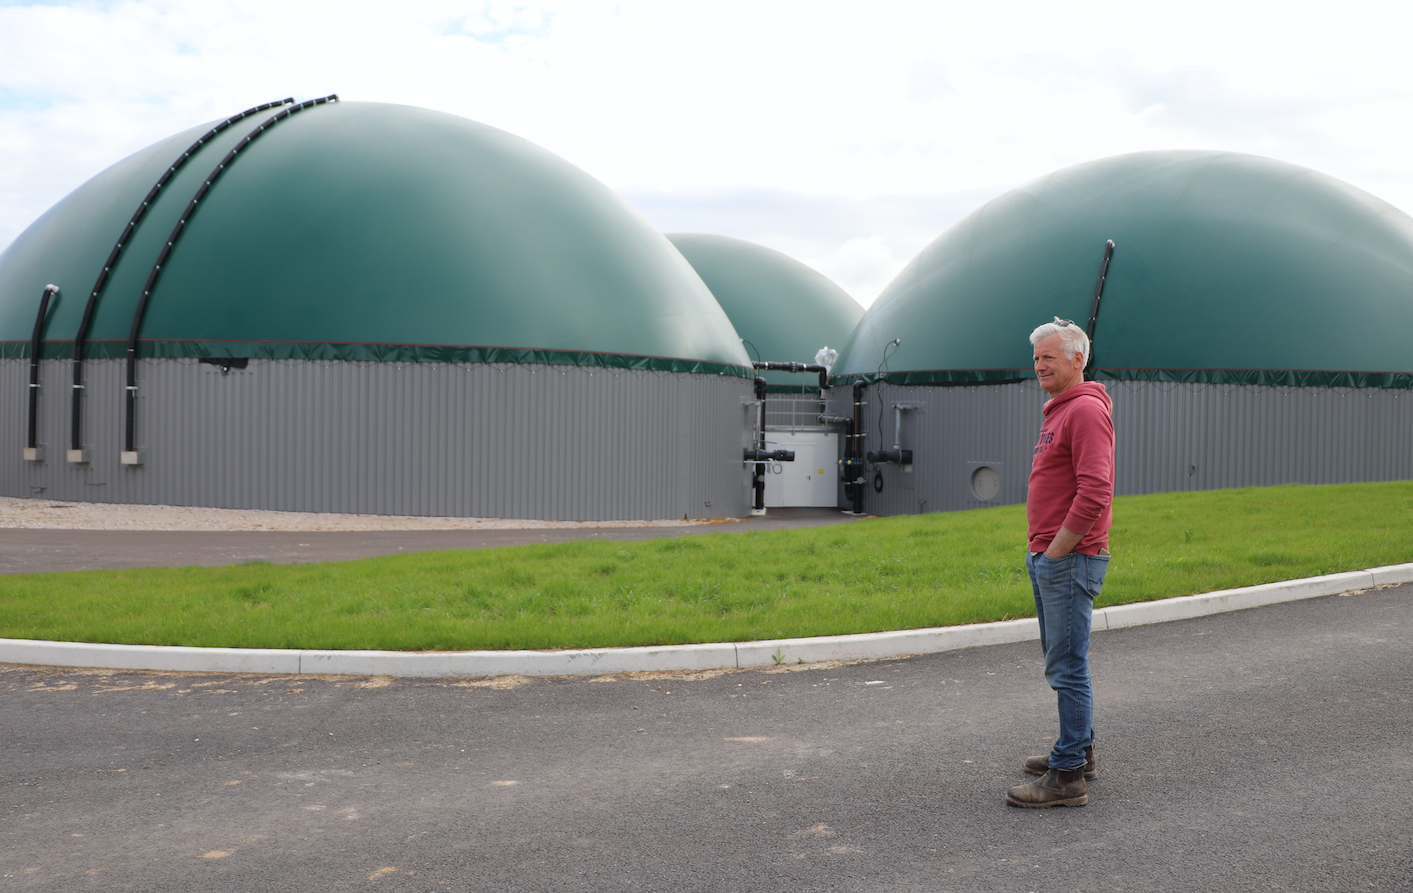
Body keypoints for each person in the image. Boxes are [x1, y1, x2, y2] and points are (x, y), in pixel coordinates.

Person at [1005, 317, 1115, 808]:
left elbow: (1095, 490)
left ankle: (1068, 775)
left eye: (1049, 357)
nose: (1039, 365)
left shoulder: (1086, 411)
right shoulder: (1060, 410)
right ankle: (1080, 751)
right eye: (1036, 358)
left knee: (1067, 667)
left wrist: (1056, 551)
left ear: (1078, 359)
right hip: (1053, 556)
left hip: (1068, 559)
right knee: (1064, 663)